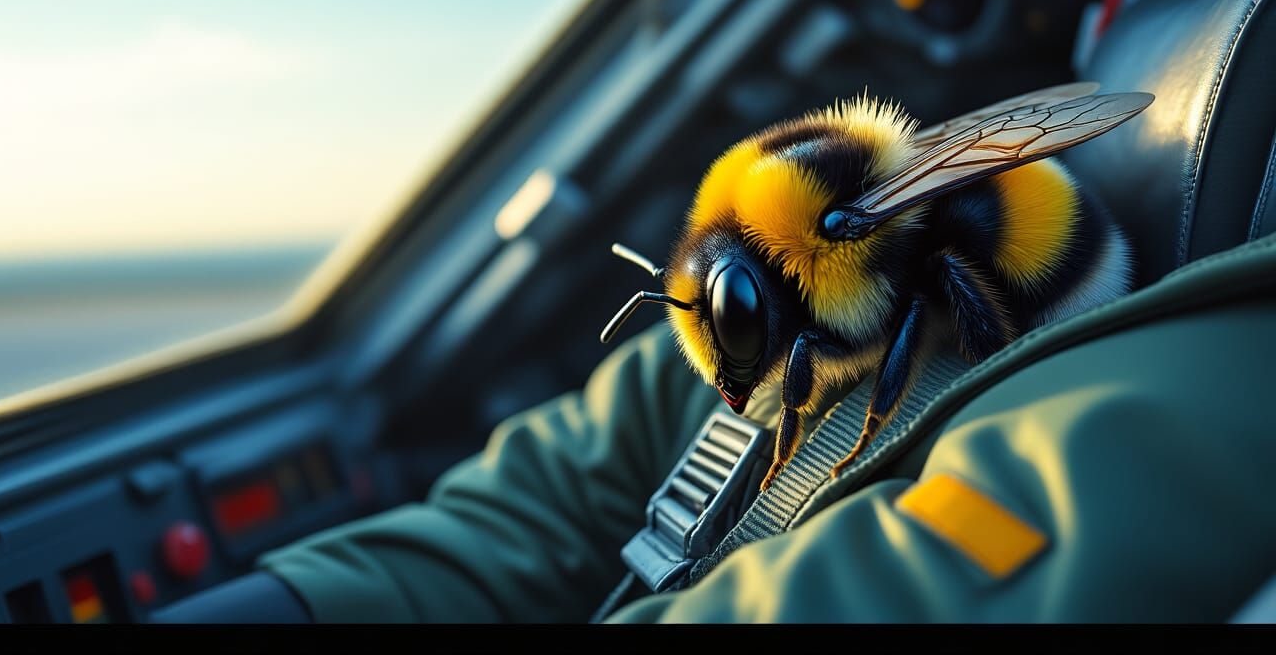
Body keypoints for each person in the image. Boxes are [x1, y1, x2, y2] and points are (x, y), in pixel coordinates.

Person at [251, 233, 1276, 622]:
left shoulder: (1181, 408)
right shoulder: (759, 320)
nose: (725, 389)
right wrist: (301, 603)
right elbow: (556, 493)